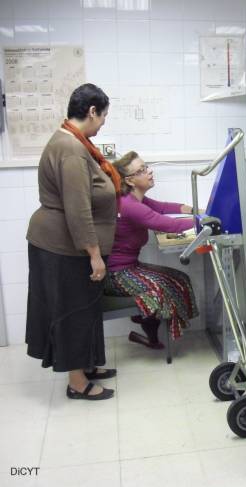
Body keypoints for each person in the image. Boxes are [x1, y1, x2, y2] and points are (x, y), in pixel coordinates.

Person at [26, 83, 121, 401]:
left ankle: (88, 364)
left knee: (88, 309)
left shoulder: (76, 143)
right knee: (74, 312)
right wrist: (94, 255)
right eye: (104, 116)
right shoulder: (71, 148)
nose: (104, 122)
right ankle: (77, 382)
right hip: (64, 247)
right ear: (91, 112)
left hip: (68, 244)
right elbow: (78, 209)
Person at [105, 151, 197, 349]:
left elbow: (162, 208)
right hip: (116, 275)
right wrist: (203, 222)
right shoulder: (129, 205)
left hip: (130, 267)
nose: (150, 172)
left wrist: (195, 209)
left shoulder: (136, 199)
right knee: (161, 289)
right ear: (130, 180)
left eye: (146, 167)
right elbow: (166, 224)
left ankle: (149, 331)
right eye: (142, 170)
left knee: (180, 279)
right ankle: (145, 320)